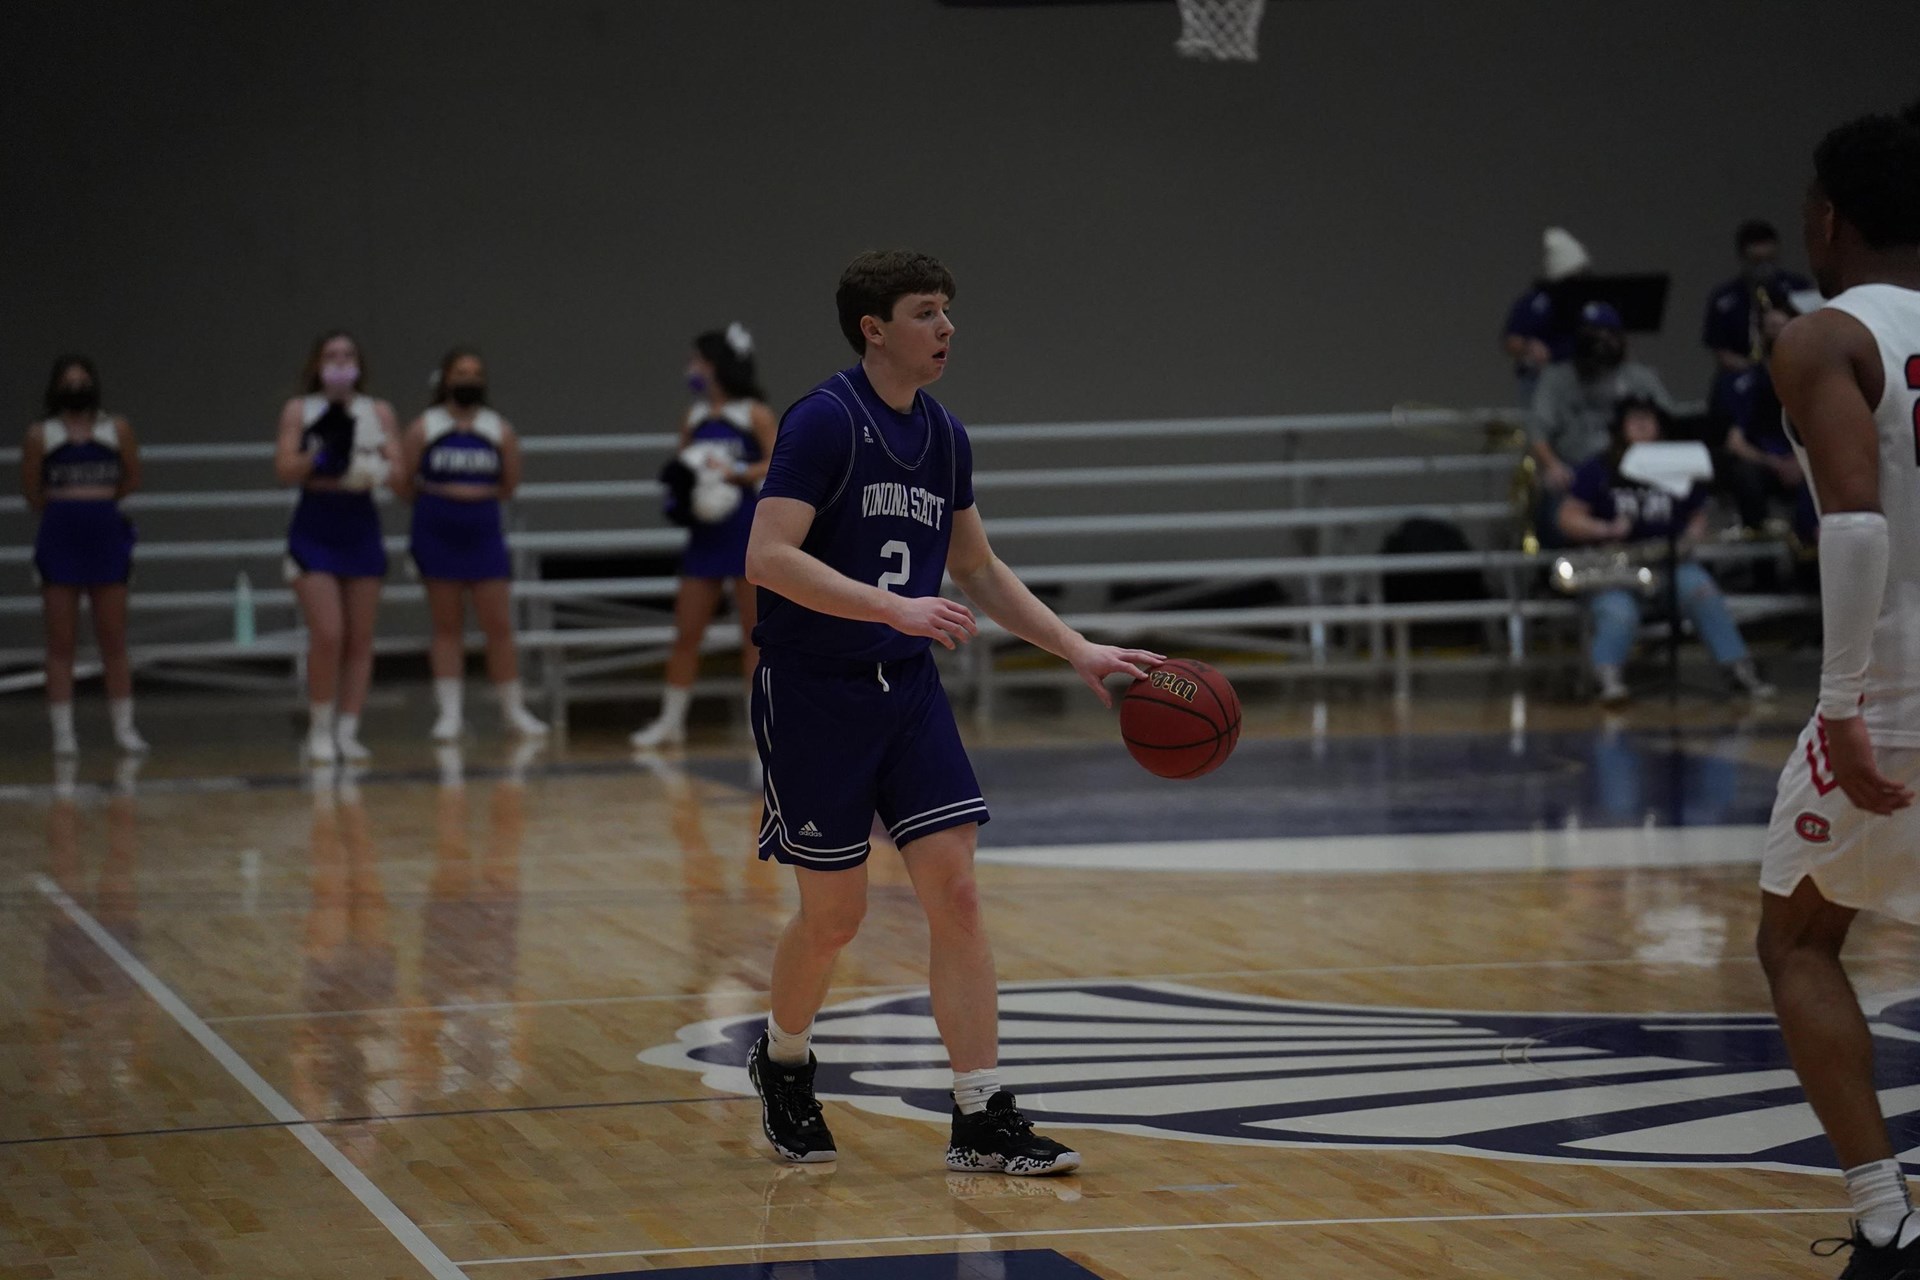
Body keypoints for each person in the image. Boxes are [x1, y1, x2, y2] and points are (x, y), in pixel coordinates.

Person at [742, 250, 1161, 1175]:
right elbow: (767, 558)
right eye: (927, 312)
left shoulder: (945, 436)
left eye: (948, 311)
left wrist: (1079, 648)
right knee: (836, 917)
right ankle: (781, 1059)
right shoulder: (823, 422)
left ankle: (979, 1113)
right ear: (874, 329)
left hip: (907, 692)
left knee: (959, 892)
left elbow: (975, 569)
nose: (947, 327)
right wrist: (890, 605)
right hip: (814, 692)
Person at [1755, 102, 1920, 1277]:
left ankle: (1885, 1218)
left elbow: (1856, 521)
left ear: (1827, 218)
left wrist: (1841, 701)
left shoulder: (1828, 338)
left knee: (1802, 939)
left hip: (1897, 686)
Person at [1558, 397, 1773, 706]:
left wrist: (1692, 535)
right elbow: (1568, 516)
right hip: (1616, 565)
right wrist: (1603, 530)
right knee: (1618, 612)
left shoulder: (1676, 465)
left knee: (1702, 592)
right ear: (1620, 428)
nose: (1643, 425)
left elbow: (1697, 513)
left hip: (1670, 560)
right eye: (1635, 420)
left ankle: (1738, 670)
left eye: (1649, 419)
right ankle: (1608, 679)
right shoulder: (1599, 468)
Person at [630, 325, 777, 749]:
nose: (690, 369)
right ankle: (671, 721)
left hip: (745, 529)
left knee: (756, 633)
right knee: (686, 631)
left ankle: (758, 723)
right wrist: (685, 490)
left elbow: (778, 461)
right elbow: (681, 468)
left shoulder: (754, 414)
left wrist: (737, 474)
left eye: (697, 361)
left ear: (717, 366)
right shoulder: (692, 417)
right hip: (705, 534)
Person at [394, 349, 547, 742]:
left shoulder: (499, 429)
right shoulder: (424, 427)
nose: (470, 379)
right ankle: (450, 714)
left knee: (498, 625)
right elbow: (401, 482)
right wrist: (444, 493)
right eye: (462, 372)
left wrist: (469, 492)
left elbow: (510, 484)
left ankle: (513, 711)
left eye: (477, 373)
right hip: (436, 534)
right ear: (445, 379)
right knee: (447, 626)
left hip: (483, 535)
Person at [275, 331, 398, 764]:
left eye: (348, 354)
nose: (340, 361)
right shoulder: (300, 409)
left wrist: (373, 467)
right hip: (315, 524)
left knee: (360, 636)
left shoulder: (377, 411)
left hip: (360, 523)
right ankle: (320, 727)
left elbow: (400, 472)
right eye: (331, 355)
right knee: (328, 633)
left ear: (359, 364)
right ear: (316, 364)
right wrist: (323, 455)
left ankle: (349, 729)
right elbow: (285, 467)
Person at [20, 355, 146, 755]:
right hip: (59, 542)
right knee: (61, 642)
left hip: (107, 541)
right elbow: (31, 492)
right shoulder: (41, 435)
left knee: (113, 639)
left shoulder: (117, 429)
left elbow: (131, 478)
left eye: (82, 380)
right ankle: (63, 733)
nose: (76, 387)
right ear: (56, 388)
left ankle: (124, 728)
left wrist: (97, 503)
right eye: (68, 381)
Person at [1709, 294, 1815, 540]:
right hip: (1765, 464)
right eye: (1770, 328)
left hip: (1804, 462)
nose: (1777, 335)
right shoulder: (1745, 383)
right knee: (1746, 476)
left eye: (1782, 327)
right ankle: (1761, 560)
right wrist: (1775, 464)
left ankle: (1810, 557)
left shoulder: (1813, 382)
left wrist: (1800, 463)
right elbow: (1735, 442)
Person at [1703, 218, 1818, 375]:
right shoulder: (1724, 299)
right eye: (1756, 261)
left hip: (1792, 370)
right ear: (1743, 258)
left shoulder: (1798, 289)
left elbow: (1814, 338)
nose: (1764, 268)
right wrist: (1755, 370)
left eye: (1770, 260)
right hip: (1743, 374)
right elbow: (1721, 351)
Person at [1500, 227, 1591, 403]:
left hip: (1581, 379)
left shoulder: (1589, 305)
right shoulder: (1533, 304)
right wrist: (1529, 346)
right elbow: (1511, 340)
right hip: (1540, 381)